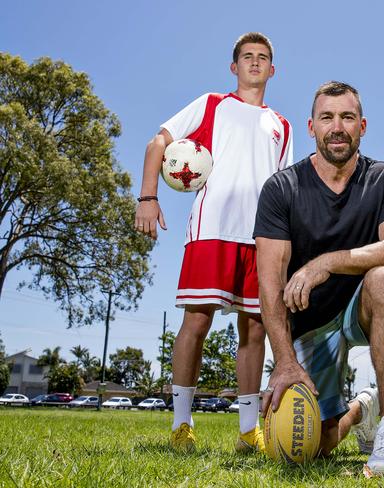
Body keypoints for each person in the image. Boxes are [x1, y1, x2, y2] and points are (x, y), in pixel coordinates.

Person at [134, 32, 293, 453]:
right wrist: (148, 197)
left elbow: (285, 188)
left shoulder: (283, 125)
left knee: (255, 329)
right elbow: (157, 144)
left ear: (273, 70)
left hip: (262, 238)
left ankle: (247, 431)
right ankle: (181, 425)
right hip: (212, 232)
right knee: (197, 322)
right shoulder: (211, 105)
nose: (255, 63)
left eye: (262, 58)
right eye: (247, 57)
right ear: (234, 66)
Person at [254, 81, 384, 476]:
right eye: (327, 117)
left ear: (362, 125)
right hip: (310, 320)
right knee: (312, 444)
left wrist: (327, 261)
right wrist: (285, 363)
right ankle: (363, 407)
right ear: (311, 127)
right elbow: (269, 283)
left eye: (347, 117)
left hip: (360, 307)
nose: (337, 126)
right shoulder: (282, 188)